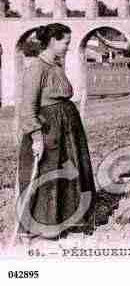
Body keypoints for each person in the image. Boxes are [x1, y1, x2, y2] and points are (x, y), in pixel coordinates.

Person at [17, 23, 96, 239]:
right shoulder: (36, 68)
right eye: (65, 42)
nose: (68, 47)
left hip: (67, 128)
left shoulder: (56, 65)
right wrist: (36, 137)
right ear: (52, 41)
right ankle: (40, 226)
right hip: (48, 129)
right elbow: (27, 107)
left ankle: (67, 221)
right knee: (48, 174)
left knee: (69, 171)